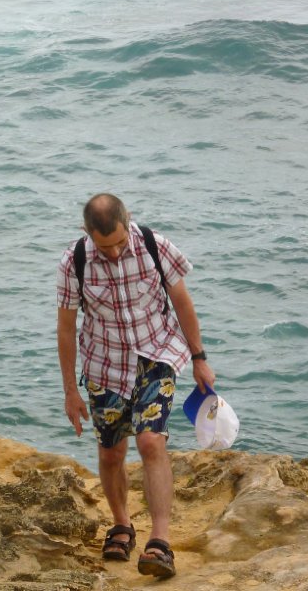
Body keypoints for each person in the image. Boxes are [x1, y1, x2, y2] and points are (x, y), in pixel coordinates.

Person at [56, 193, 215, 579]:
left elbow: (182, 302)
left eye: (119, 243)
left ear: (128, 223)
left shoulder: (154, 246)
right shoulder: (73, 262)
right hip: (103, 364)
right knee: (111, 452)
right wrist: (70, 392)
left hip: (155, 356)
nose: (112, 253)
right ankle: (122, 525)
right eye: (103, 246)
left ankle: (159, 542)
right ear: (86, 233)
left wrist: (199, 358)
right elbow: (66, 329)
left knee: (150, 441)